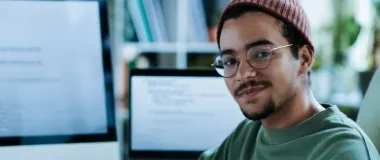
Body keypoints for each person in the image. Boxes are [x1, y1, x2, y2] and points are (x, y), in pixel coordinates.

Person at [199, 0, 380, 160]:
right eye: (230, 61)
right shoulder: (247, 136)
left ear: (304, 59)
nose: (243, 74)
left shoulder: (343, 151)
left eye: (261, 54)